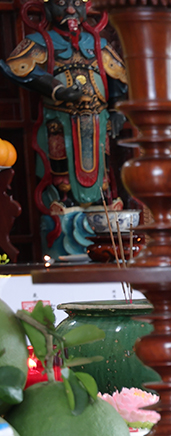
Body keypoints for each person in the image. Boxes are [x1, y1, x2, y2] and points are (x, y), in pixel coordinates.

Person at [0, 0, 128, 255]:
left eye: (77, 4)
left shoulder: (99, 44)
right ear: (47, 9)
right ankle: (64, 202)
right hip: (60, 118)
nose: (70, 10)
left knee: (102, 167)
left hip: (97, 119)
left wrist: (116, 111)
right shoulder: (40, 42)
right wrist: (57, 89)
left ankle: (101, 206)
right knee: (61, 164)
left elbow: (119, 78)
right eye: (61, 4)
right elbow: (17, 67)